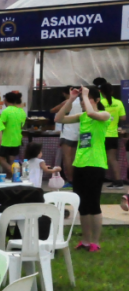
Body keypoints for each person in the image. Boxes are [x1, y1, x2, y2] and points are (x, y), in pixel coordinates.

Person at [55, 85, 111, 251]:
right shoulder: (82, 116)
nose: (82, 103)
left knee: (94, 205)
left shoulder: (104, 115)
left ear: (97, 100)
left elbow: (93, 114)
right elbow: (59, 118)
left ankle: (95, 242)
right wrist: (71, 99)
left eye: (86, 100)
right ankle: (85, 240)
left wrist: (85, 94)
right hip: (79, 164)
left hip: (95, 164)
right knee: (82, 205)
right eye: (81, 101)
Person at [94, 78, 125, 187]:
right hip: (113, 135)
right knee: (112, 159)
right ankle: (118, 181)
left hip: (101, 134)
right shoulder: (118, 103)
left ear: (100, 92)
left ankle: (98, 180)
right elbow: (123, 117)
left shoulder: (99, 103)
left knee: (99, 158)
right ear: (112, 91)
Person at [52, 86, 81, 182]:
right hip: (79, 133)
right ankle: (76, 180)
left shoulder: (67, 102)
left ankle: (70, 180)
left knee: (67, 159)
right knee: (76, 158)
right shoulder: (84, 102)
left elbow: (53, 110)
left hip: (67, 133)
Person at [0, 91, 26, 176]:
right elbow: (22, 125)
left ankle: (13, 172)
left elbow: (0, 126)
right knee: (12, 160)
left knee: (0, 158)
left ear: (6, 100)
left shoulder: (6, 111)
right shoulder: (21, 111)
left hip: (5, 140)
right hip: (17, 140)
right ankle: (12, 176)